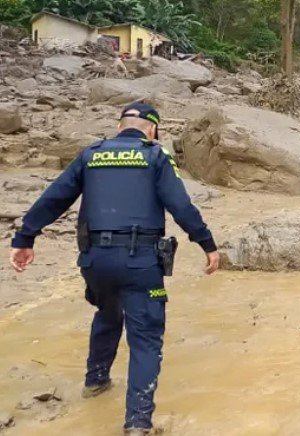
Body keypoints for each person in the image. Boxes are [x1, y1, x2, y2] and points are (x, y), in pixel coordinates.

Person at [9, 103, 220, 436]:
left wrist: (25, 238)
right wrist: (207, 244)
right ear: (152, 130)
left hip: (95, 262)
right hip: (140, 262)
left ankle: (95, 382)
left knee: (108, 313)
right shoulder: (155, 156)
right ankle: (137, 422)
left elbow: (54, 198)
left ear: (121, 125)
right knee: (146, 338)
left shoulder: (91, 154)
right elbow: (180, 205)